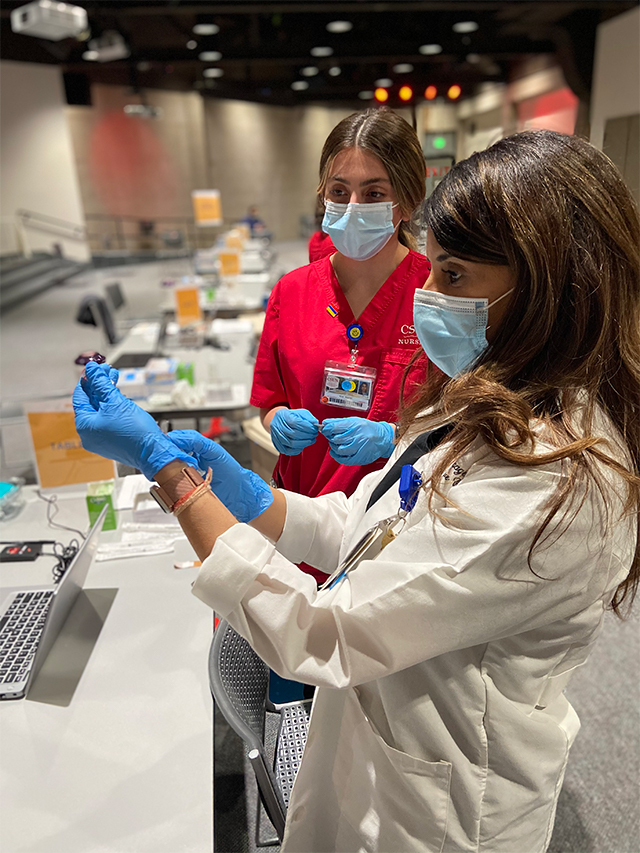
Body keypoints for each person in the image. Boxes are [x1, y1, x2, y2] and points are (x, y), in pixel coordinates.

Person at [74, 129, 639, 853]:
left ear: (553, 288)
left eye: (456, 275)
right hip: (387, 732)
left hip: (445, 799)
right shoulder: (490, 400)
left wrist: (170, 472)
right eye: (433, 268)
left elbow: (325, 630)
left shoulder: (554, 484)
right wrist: (255, 496)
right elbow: (371, 525)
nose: (429, 294)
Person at [251, 108, 430, 581]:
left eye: (374, 193)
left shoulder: (439, 295)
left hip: (394, 530)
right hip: (296, 518)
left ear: (407, 201)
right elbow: (269, 400)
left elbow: (467, 421)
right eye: (338, 191)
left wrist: (396, 438)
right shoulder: (291, 292)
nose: (352, 206)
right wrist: (276, 421)